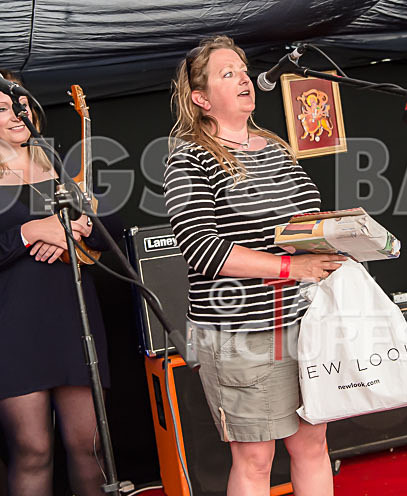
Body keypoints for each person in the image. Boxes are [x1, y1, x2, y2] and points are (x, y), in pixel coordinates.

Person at [163, 36, 344, 496]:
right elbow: (202, 249)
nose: (244, 77)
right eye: (228, 73)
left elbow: (303, 222)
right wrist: (294, 269)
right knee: (255, 459)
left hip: (302, 321)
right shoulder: (189, 157)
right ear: (201, 99)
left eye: (243, 68)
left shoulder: (276, 148)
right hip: (239, 330)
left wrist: (346, 235)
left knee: (312, 444)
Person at [0, 69, 110, 496]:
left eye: (20, 104)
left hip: (71, 323)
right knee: (34, 451)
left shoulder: (58, 167)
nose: (16, 114)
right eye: (1, 108)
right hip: (7, 330)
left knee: (90, 447)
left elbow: (111, 229)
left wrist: (73, 231)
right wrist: (31, 232)